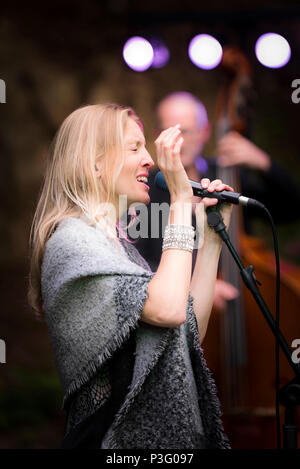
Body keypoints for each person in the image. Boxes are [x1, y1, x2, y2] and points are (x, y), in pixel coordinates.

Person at [27, 103, 233, 449]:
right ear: (94, 163)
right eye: (135, 147)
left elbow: (185, 329)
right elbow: (168, 309)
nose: (149, 159)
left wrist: (210, 241)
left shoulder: (117, 247)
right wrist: (181, 200)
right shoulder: (72, 241)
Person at [135, 91, 300, 311]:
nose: (179, 142)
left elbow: (290, 209)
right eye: (170, 132)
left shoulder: (226, 177)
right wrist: (195, 287)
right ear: (158, 135)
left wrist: (263, 163)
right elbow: (136, 266)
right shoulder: (144, 187)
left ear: (205, 132)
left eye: (185, 131)